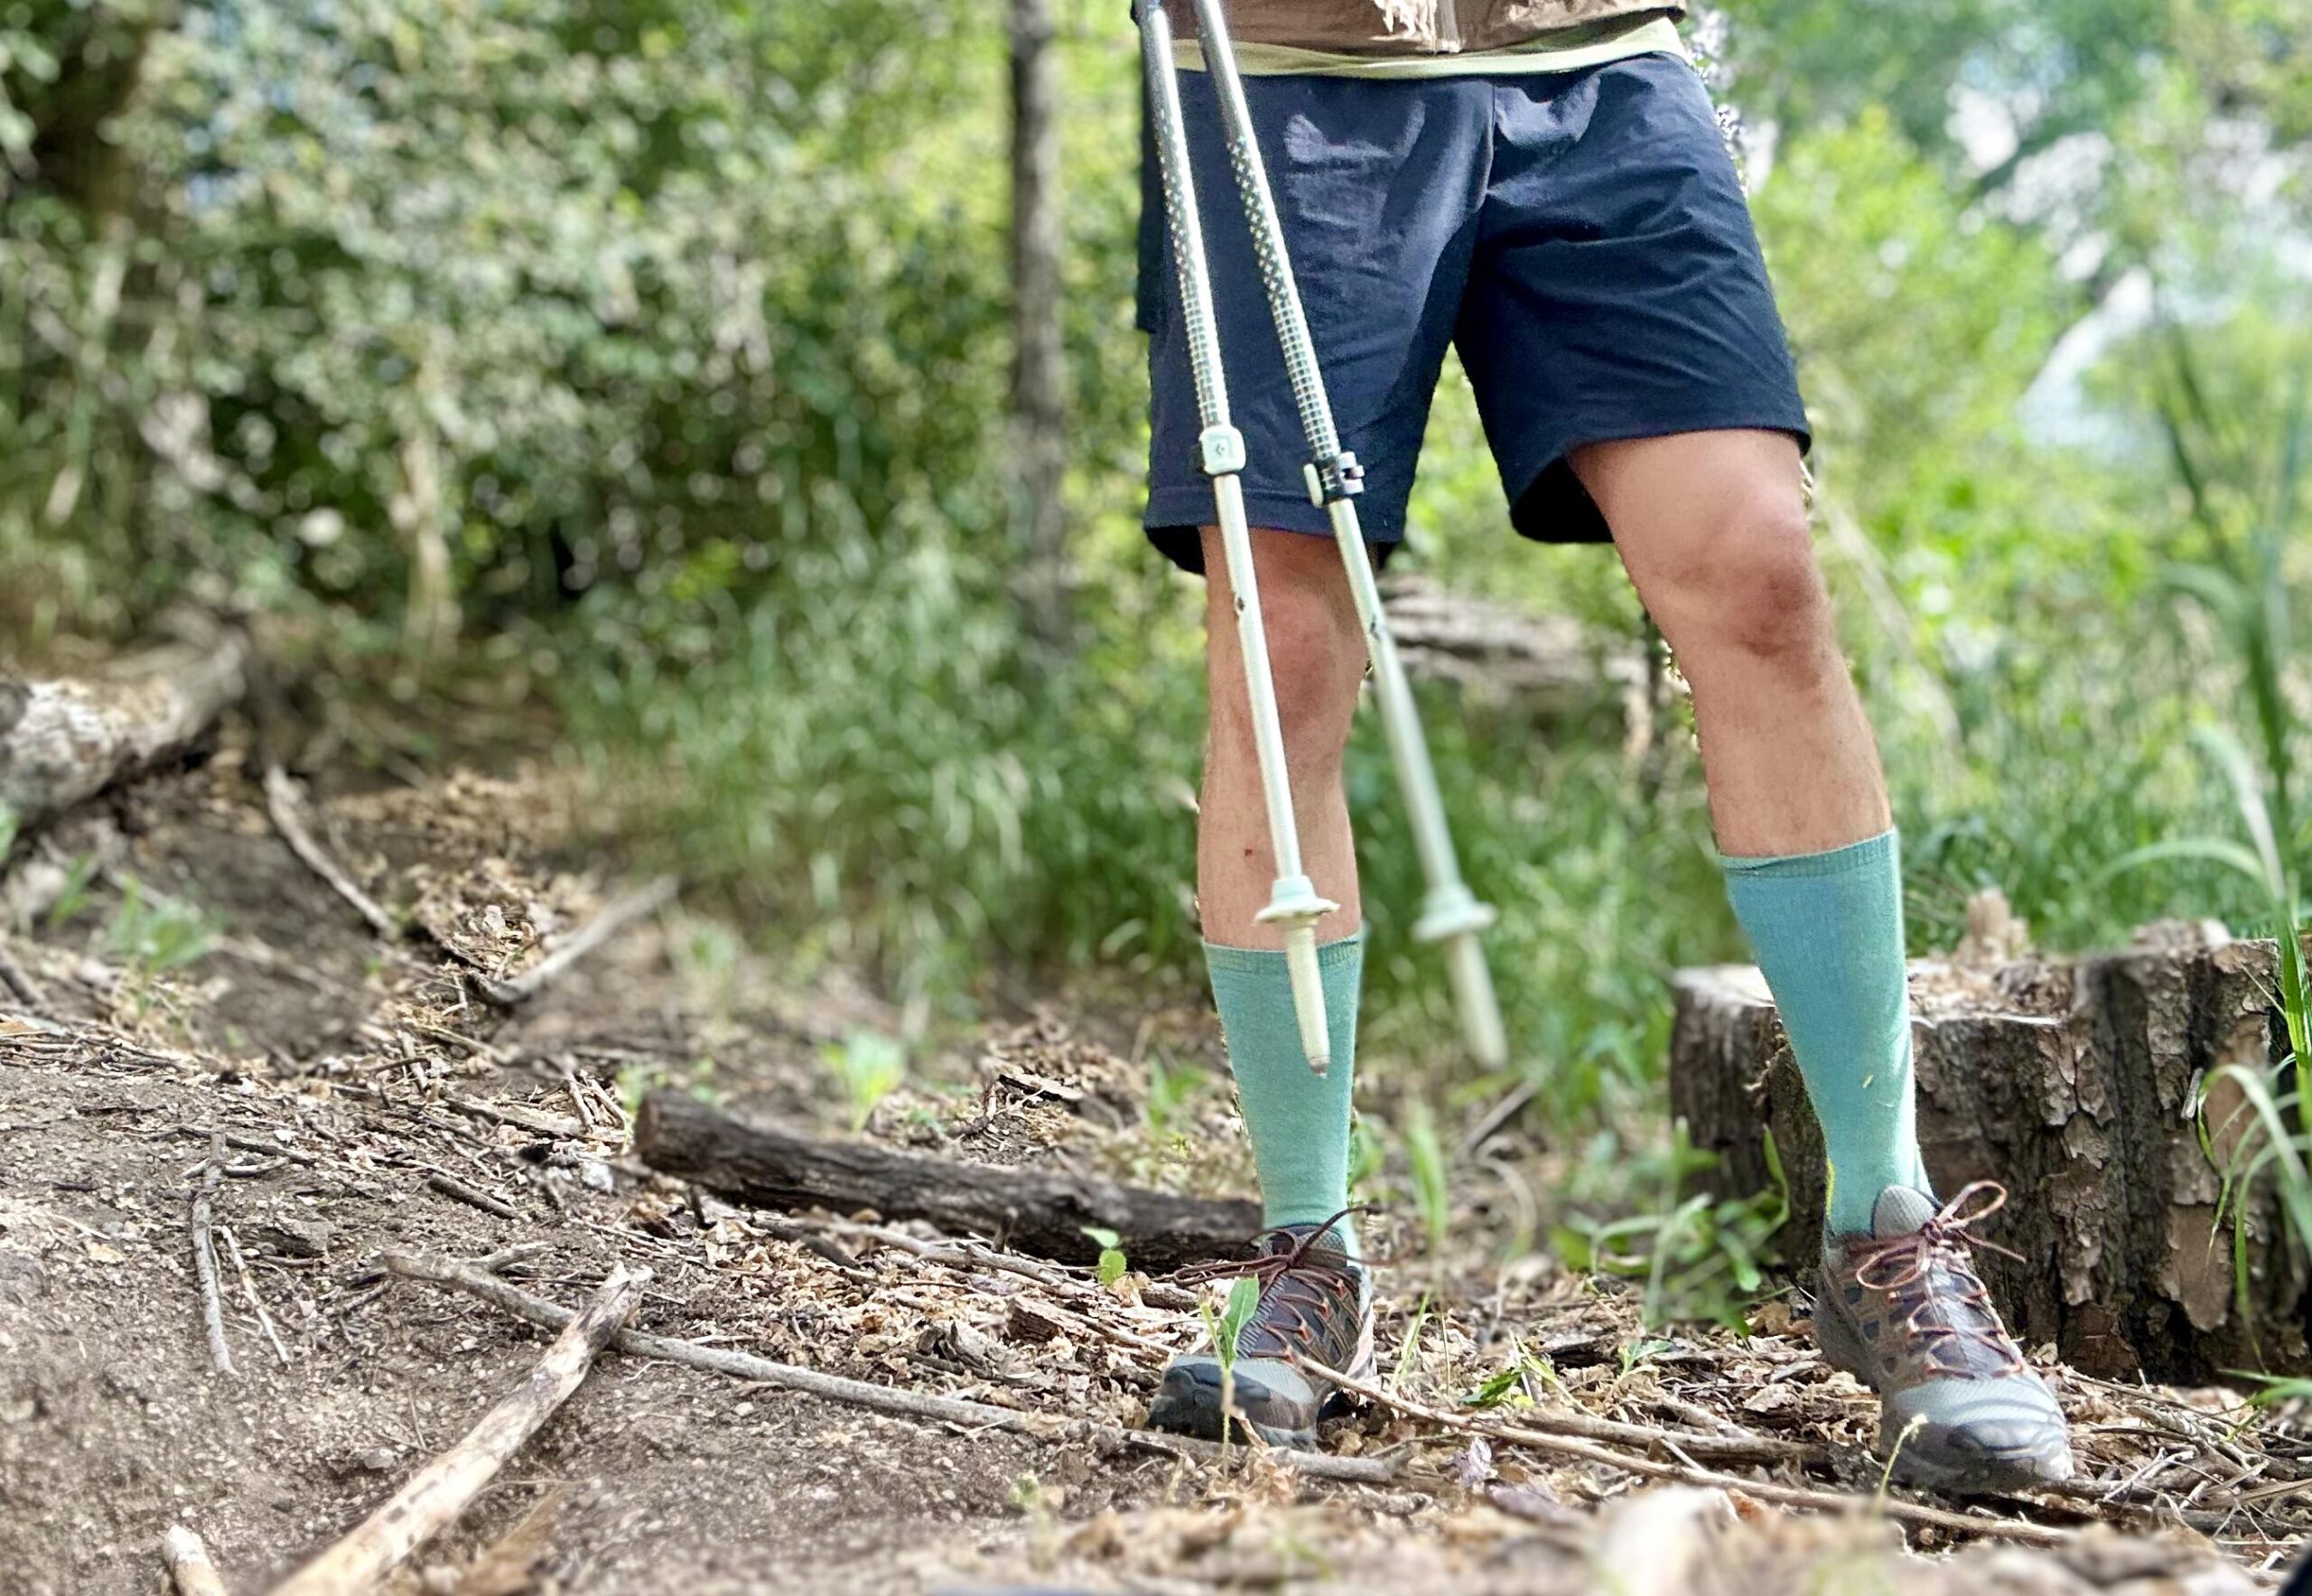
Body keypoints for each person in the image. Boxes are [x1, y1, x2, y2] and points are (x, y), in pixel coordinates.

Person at [1135, 0, 2074, 1494]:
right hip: (1286, 74)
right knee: (1283, 641)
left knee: (1759, 564)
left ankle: (1884, 1232)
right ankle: (1309, 1256)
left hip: (1599, 58)